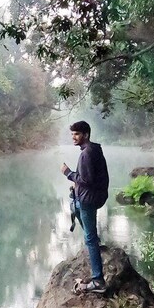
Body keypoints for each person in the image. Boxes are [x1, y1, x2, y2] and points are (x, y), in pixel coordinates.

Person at [61, 120, 109, 294]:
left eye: (77, 134)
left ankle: (98, 281)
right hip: (90, 196)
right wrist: (76, 185)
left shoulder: (87, 153)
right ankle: (95, 240)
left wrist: (68, 173)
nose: (73, 137)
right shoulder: (92, 149)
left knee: (89, 238)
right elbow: (89, 177)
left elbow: (86, 180)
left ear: (86, 135)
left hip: (89, 199)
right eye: (72, 134)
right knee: (74, 206)